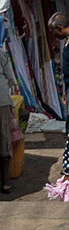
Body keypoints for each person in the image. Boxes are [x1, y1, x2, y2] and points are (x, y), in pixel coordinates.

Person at [0, 46, 17, 194]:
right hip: (1, 101)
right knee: (4, 139)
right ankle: (6, 182)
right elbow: (10, 78)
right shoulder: (1, 53)